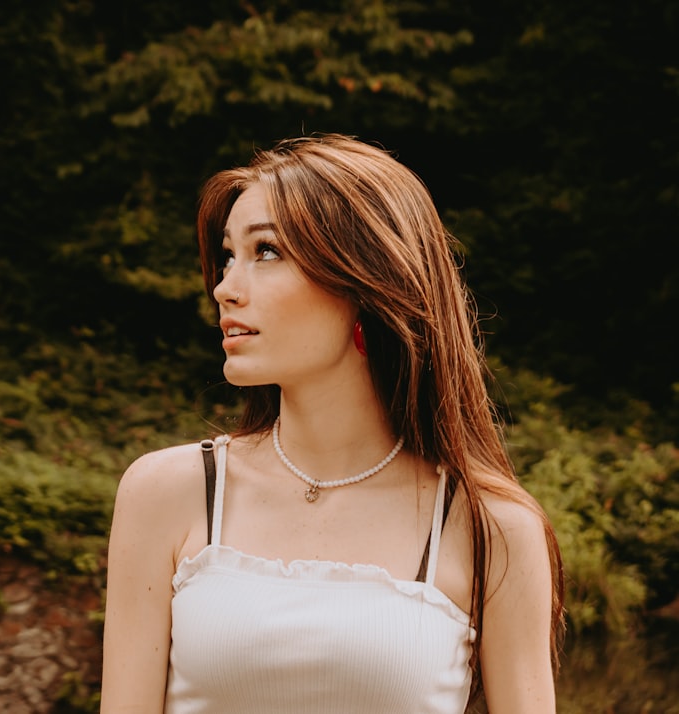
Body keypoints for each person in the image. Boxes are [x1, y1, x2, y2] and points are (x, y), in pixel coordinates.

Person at [100, 134, 564, 713]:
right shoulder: (168, 492)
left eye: (265, 252)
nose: (225, 288)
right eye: (227, 256)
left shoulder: (489, 526)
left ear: (365, 282)